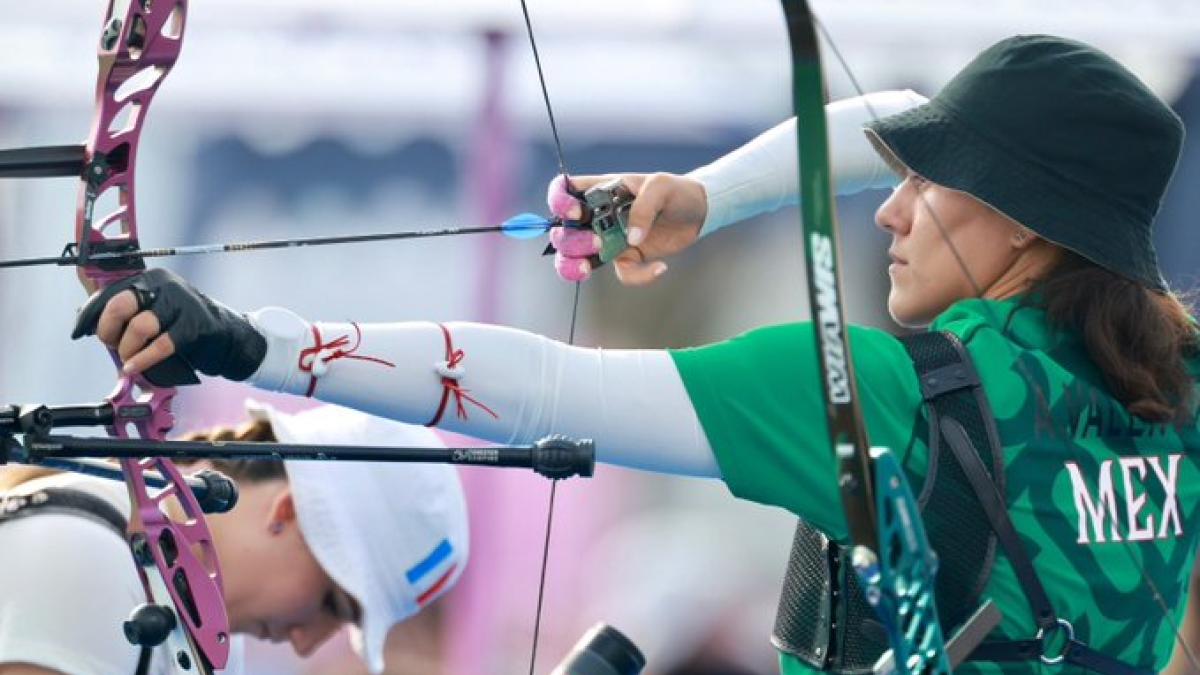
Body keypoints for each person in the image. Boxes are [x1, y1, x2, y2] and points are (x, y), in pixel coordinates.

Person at [72, 35, 1199, 673]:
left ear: (1027, 221)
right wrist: (707, 199)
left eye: (926, 182)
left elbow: (540, 387)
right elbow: (895, 110)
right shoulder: (1178, 388)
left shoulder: (888, 396)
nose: (891, 212)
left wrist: (245, 341)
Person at [0, 402, 469, 675]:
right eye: (331, 604)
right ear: (288, 511)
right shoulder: (86, 558)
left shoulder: (213, 644)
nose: (306, 645)